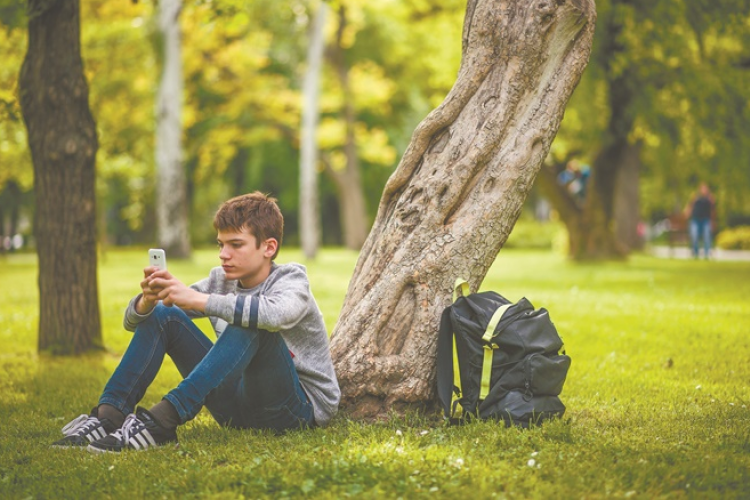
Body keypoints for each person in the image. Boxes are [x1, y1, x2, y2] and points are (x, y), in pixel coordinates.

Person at [52, 192, 340, 452]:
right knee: (165, 316)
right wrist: (149, 300)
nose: (223, 254)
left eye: (235, 245)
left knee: (253, 323)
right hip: (236, 409)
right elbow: (134, 322)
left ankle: (163, 420)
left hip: (294, 410)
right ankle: (109, 417)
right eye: (221, 244)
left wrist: (199, 300)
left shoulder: (292, 279)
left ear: (268, 247)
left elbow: (276, 314)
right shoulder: (222, 280)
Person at [684, 182, 715, 259]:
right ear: (700, 189)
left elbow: (713, 210)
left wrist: (713, 221)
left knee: (707, 236)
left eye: (705, 189)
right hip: (695, 220)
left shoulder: (709, 198)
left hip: (706, 220)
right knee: (694, 236)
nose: (704, 190)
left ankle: (706, 254)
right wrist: (687, 213)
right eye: (703, 189)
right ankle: (695, 253)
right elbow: (689, 206)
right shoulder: (695, 197)